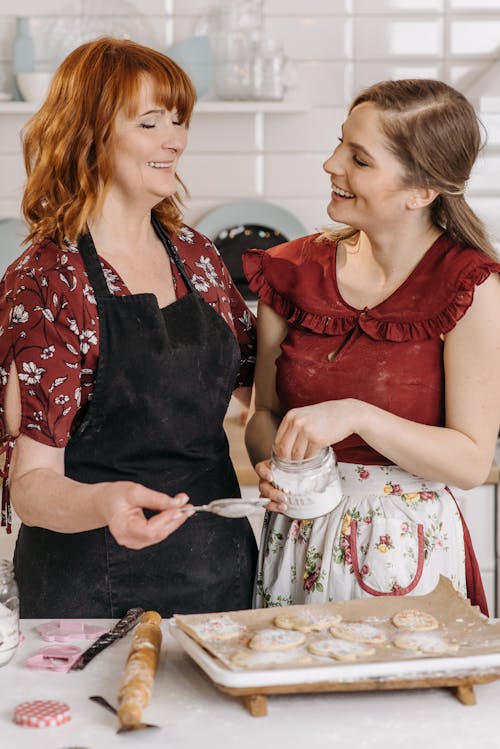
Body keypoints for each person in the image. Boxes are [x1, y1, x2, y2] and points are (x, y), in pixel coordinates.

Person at [0, 37, 258, 618]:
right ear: (89, 135)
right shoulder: (47, 280)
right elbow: (32, 485)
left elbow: (256, 392)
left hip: (218, 573)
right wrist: (107, 504)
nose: (175, 139)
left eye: (178, 119)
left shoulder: (195, 255)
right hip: (92, 586)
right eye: (150, 123)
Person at [243, 78, 500, 615]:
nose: (331, 164)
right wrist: (278, 466)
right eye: (341, 144)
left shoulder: (469, 288)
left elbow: (472, 461)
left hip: (408, 558)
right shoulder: (290, 271)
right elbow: (263, 413)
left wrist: (358, 416)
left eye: (359, 159)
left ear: (421, 191)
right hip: (296, 543)